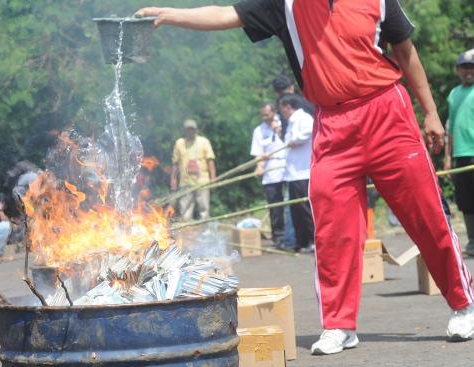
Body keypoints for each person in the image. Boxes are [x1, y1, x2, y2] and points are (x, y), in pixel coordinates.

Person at [136, 0, 474, 355]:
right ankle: (339, 325)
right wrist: (169, 15)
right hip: (331, 124)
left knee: (426, 213)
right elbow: (226, 14)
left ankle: (463, 304)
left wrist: (432, 113)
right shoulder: (285, 5)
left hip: (387, 111)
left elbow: (406, 53)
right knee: (332, 228)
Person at [444, 49, 474, 257]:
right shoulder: (454, 94)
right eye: (464, 67)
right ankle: (472, 243)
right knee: (464, 201)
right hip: (461, 155)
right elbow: (451, 128)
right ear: (457, 70)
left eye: (472, 68)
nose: (468, 71)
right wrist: (447, 158)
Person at [280, 93, 315, 253]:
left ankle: (312, 240)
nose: (281, 112)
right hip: (292, 173)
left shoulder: (303, 118)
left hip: (303, 172)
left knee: (305, 208)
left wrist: (296, 140)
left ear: (288, 106)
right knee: (295, 210)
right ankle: (301, 242)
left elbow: (311, 129)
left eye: (282, 108)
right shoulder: (291, 122)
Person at [251, 102, 287, 248]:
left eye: (267, 114)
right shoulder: (258, 131)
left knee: (294, 205)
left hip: (289, 169)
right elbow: (258, 155)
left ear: (275, 112)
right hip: (271, 171)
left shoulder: (285, 123)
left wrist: (277, 128)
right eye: (262, 115)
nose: (264, 117)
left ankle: (297, 235)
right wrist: (259, 167)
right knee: (275, 206)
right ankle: (278, 237)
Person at [171, 119, 216, 220]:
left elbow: (210, 161)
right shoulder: (179, 143)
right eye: (187, 129)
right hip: (185, 182)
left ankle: (206, 233)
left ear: (196, 130)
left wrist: (213, 180)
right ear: (184, 131)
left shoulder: (204, 142)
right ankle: (187, 234)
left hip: (202, 181)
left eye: (192, 129)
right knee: (185, 211)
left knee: (204, 209)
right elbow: (175, 163)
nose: (190, 132)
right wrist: (173, 179)